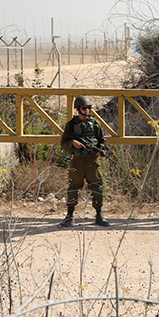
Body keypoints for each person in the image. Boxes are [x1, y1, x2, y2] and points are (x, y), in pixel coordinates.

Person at [60, 96, 109, 227]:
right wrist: (72, 143)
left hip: (92, 162)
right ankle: (69, 216)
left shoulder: (95, 124)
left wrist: (101, 150)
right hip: (77, 162)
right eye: (84, 108)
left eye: (89, 108)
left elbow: (101, 140)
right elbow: (63, 143)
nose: (87, 111)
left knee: (97, 187)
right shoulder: (71, 125)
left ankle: (99, 215)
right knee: (73, 188)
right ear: (78, 109)